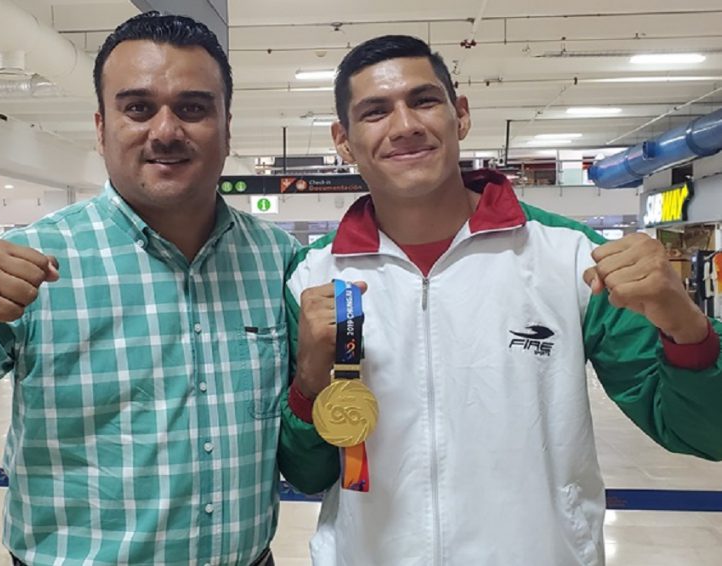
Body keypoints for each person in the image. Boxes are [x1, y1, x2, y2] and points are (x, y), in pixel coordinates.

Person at [0, 12, 322, 566]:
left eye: (193, 108)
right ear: (101, 127)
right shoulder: (32, 261)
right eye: (138, 108)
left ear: (227, 125)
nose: (165, 131)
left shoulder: (279, 261)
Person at [279, 34, 722, 566]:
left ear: (460, 115)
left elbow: (704, 433)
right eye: (375, 112)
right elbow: (306, 473)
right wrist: (310, 381)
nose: (405, 125)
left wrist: (687, 329)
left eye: (424, 100)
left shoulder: (571, 257)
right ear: (344, 141)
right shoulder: (312, 277)